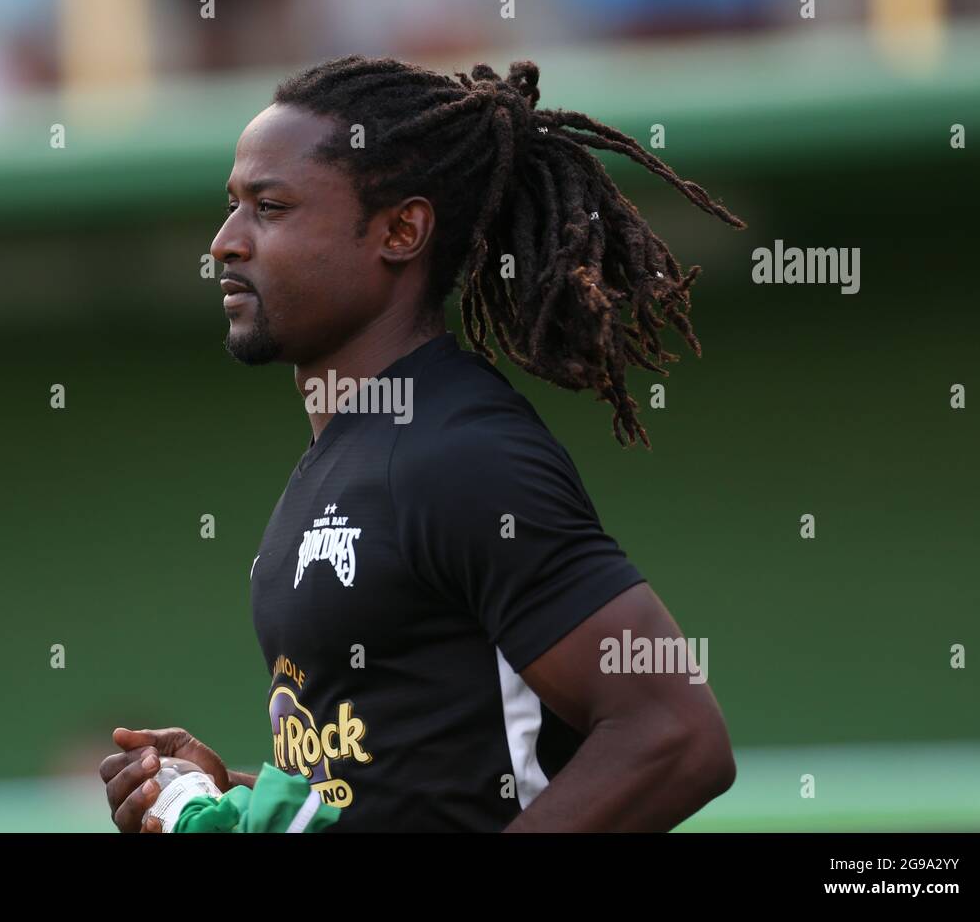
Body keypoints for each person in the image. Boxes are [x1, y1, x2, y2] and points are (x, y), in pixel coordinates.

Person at [101, 55, 744, 832]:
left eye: (269, 208)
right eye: (231, 206)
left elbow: (676, 735)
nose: (225, 243)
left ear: (400, 231)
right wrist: (227, 789)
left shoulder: (462, 453)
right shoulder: (344, 457)